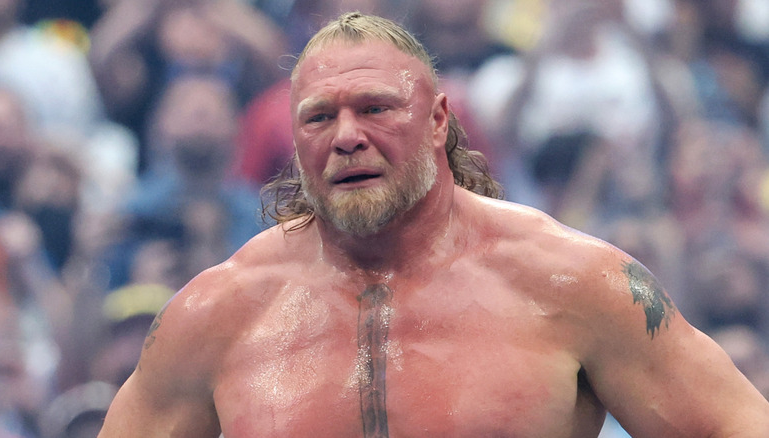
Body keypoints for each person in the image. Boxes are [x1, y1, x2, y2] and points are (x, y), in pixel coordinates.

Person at [98, 12, 769, 437]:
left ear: (439, 121)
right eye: (319, 117)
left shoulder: (575, 282)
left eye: (375, 108)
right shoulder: (218, 312)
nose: (347, 136)